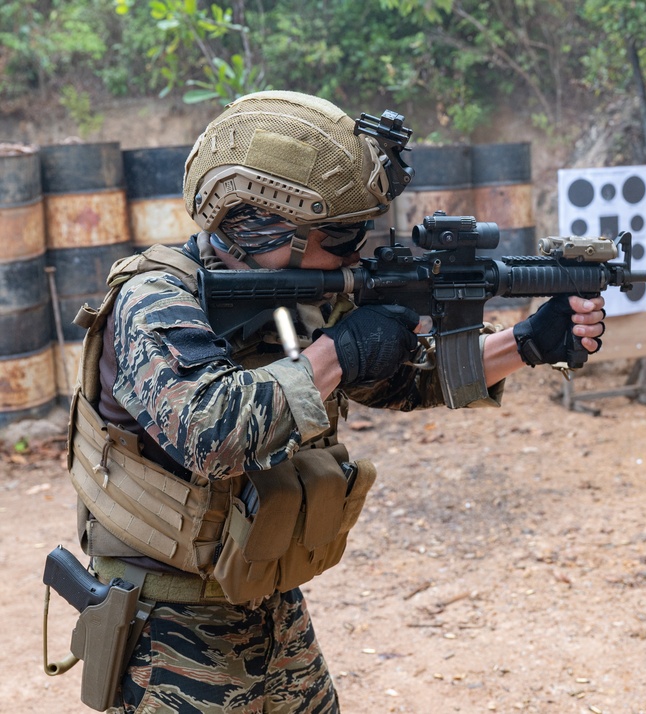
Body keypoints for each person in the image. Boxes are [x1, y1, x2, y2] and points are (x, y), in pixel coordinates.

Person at [64, 90, 605, 713]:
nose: (358, 250)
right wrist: (336, 353)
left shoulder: (296, 298)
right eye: (343, 233)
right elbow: (211, 435)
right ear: (259, 225)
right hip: (167, 623)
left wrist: (528, 342)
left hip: (265, 595)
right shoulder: (154, 300)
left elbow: (400, 377)